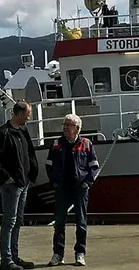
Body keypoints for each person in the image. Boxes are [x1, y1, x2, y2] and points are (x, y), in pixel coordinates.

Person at [0, 100, 39, 270]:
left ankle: (14, 257)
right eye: (28, 114)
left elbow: (29, 153)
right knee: (9, 221)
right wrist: (6, 177)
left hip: (23, 183)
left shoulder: (22, 131)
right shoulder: (4, 133)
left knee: (18, 221)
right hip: (11, 185)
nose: (29, 118)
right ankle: (6, 260)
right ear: (20, 114)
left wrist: (30, 175)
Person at [45, 113, 99, 266]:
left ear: (77, 128)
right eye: (64, 124)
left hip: (80, 189)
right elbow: (49, 165)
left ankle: (80, 253)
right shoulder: (56, 144)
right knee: (59, 222)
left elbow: (93, 166)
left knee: (81, 222)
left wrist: (87, 183)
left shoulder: (87, 144)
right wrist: (54, 182)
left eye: (69, 124)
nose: (65, 127)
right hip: (62, 188)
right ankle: (58, 254)